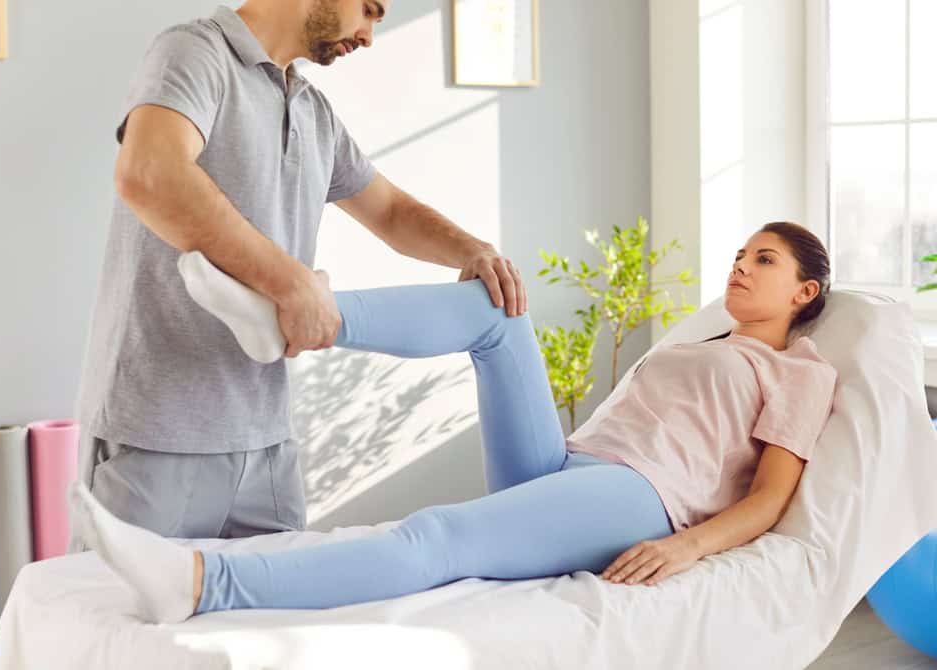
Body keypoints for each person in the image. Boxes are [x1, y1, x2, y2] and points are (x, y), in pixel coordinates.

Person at [68, 222, 838, 623]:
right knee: (496, 312)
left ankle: (203, 584)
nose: (740, 265)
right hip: (571, 465)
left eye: (764, 260)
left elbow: (771, 498)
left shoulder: (798, 372)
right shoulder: (699, 343)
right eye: (740, 253)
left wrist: (684, 546)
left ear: (804, 293)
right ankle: (296, 319)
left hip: (642, 496)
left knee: (436, 536)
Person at [69, 0, 527, 553]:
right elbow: (149, 173)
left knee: (274, 609)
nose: (369, 35)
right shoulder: (195, 53)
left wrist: (472, 251)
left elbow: (389, 211)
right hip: (158, 436)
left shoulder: (312, 110)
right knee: (119, 608)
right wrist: (290, 282)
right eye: (369, 10)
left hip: (267, 445)